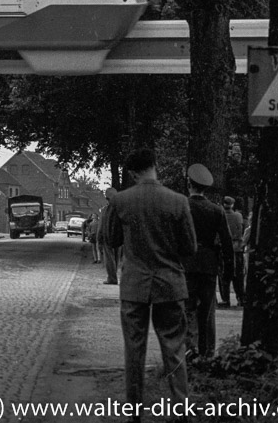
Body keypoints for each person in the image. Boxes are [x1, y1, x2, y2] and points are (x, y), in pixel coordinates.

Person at [107, 148, 196, 421]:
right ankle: (182, 408)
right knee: (174, 348)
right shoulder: (178, 201)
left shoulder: (121, 201)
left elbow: (111, 239)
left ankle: (134, 412)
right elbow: (190, 246)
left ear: (133, 173)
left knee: (134, 351)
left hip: (135, 286)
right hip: (169, 284)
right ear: (155, 166)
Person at [183, 164, 233, 360]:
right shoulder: (217, 210)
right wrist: (229, 270)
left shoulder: (182, 206)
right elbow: (227, 242)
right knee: (207, 308)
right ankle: (207, 351)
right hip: (209, 264)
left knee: (187, 307)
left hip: (186, 263)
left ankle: (189, 349)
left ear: (189, 184)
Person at [219, 196, 245, 307]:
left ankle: (225, 299)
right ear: (232, 205)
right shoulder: (238, 216)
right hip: (237, 248)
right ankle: (240, 298)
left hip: (224, 249)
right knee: (238, 275)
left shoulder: (220, 215)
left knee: (223, 275)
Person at [98, 187, 121, 285]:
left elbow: (101, 225)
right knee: (116, 257)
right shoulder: (122, 208)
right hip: (119, 237)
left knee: (109, 258)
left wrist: (99, 238)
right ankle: (113, 276)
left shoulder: (106, 210)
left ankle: (112, 278)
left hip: (108, 236)